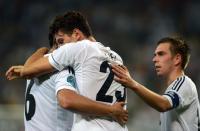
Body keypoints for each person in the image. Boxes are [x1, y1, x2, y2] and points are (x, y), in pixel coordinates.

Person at [6, 11, 128, 131]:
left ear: (76, 34)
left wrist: (25, 69)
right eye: (58, 44)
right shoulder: (116, 58)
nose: (60, 48)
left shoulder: (74, 53)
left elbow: (66, 99)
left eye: (61, 41)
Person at [112, 37, 200, 131]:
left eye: (161, 54)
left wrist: (132, 83)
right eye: (155, 55)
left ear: (177, 59)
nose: (154, 59)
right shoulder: (171, 90)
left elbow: (163, 104)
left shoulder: (184, 83)